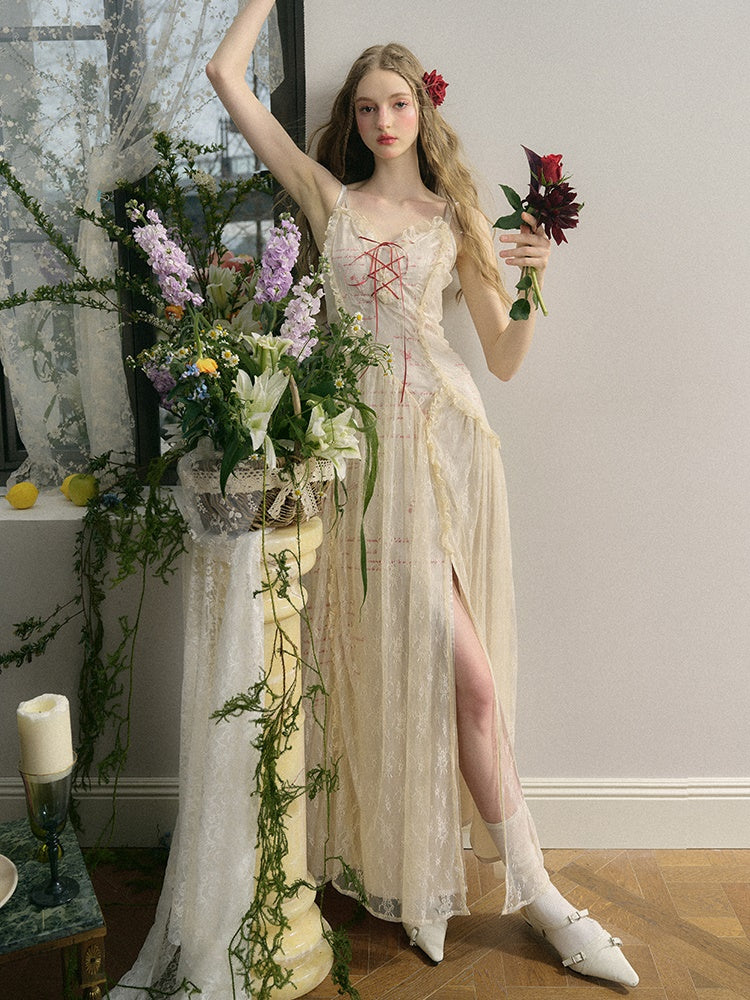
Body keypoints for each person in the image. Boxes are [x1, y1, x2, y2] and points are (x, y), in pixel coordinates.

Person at [207, 1, 639, 988]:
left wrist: (533, 281)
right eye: (367, 108)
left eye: (397, 103)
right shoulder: (328, 197)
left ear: (422, 109)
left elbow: (503, 357)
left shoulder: (456, 220)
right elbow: (228, 78)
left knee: (465, 681)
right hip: (357, 462)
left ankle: (536, 896)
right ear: (353, 121)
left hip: (445, 454)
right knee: (398, 668)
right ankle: (435, 883)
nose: (382, 121)